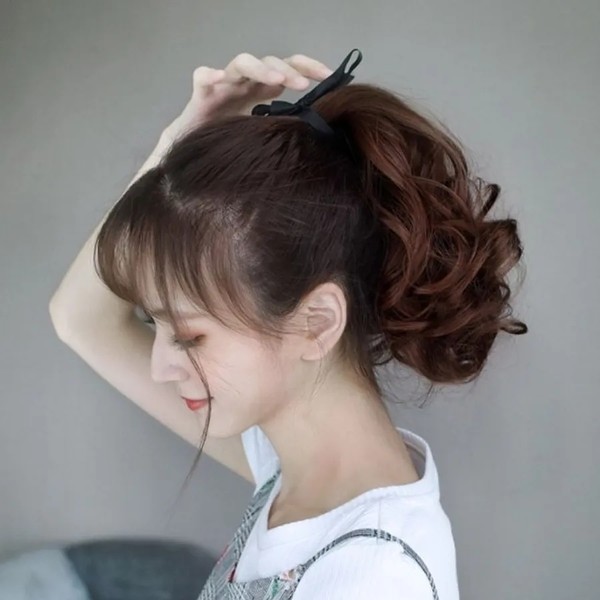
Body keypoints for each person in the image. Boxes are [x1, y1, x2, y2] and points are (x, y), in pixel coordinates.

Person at [49, 48, 527, 599]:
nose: (161, 367)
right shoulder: (292, 464)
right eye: (155, 326)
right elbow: (78, 319)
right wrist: (179, 143)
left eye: (189, 336)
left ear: (316, 322)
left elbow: (80, 321)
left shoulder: (374, 579)